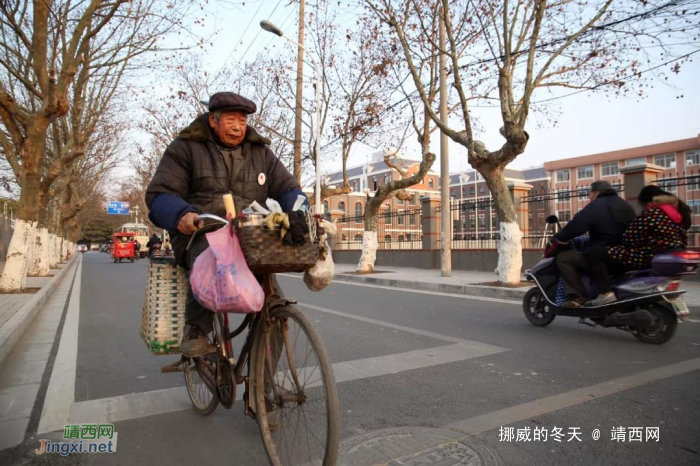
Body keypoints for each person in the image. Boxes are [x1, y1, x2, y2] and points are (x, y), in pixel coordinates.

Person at [146, 92, 307, 357]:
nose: (237, 127)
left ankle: (262, 391)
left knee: (273, 306)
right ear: (213, 120)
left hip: (250, 233)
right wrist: (182, 215)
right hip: (202, 230)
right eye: (231, 120)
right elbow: (159, 194)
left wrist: (299, 211)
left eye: (242, 121)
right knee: (213, 259)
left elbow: (289, 188)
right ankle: (196, 329)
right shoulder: (185, 147)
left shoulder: (260, 152)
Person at [583, 185, 691, 305]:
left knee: (594, 253)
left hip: (647, 255)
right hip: (664, 254)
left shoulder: (652, 213)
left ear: (647, 201)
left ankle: (605, 293)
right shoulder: (676, 214)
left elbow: (630, 238)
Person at [545, 180, 636, 308]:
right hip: (627, 253)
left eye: (590, 194)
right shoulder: (624, 205)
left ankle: (581, 296)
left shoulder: (597, 206)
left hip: (604, 254)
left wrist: (558, 238)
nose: (589, 197)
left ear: (596, 192)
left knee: (564, 258)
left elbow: (576, 226)